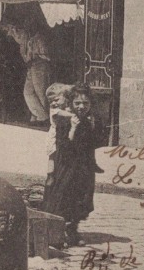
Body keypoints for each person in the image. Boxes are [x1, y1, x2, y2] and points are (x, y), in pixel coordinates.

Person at [42, 83, 103, 247]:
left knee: (81, 199)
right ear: (71, 104)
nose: (82, 107)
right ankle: (58, 233)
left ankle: (73, 231)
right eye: (78, 103)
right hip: (67, 167)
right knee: (64, 198)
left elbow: (96, 142)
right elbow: (63, 147)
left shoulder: (90, 119)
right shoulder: (64, 119)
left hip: (84, 167)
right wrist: (73, 128)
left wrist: (92, 126)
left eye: (85, 103)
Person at [2, 21, 52, 124]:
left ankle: (40, 118)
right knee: (28, 92)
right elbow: (16, 36)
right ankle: (41, 116)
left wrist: (34, 59)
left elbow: (45, 56)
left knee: (40, 92)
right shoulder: (27, 37)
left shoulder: (39, 39)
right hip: (31, 66)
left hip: (39, 66)